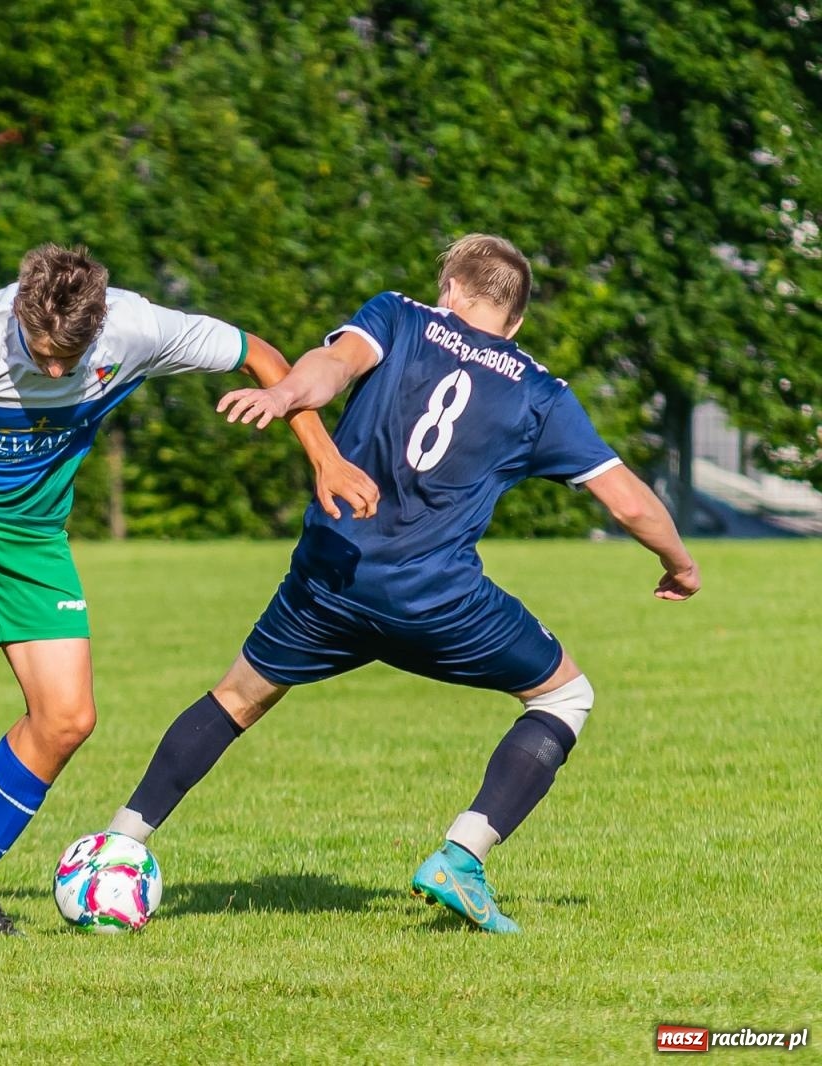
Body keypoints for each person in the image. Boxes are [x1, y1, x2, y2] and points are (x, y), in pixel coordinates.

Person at [0, 243, 379, 934]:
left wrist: (326, 458)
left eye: (68, 358)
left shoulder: (135, 328)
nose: (53, 369)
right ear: (19, 314)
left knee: (68, 718)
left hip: (34, 530)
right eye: (41, 352)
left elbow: (257, 352)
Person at [102, 234, 700, 933]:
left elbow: (329, 366)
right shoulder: (541, 393)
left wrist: (287, 391)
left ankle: (120, 845)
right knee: (565, 694)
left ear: (450, 290)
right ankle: (462, 854)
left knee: (235, 698)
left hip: (331, 577)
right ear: (517, 321)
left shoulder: (399, 316)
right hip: (435, 601)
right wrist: (680, 565)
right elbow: (628, 502)